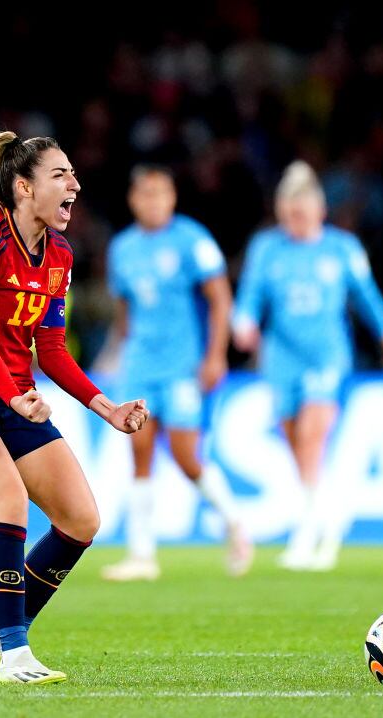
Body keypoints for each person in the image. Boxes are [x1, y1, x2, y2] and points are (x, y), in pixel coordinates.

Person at [0, 132, 149, 685]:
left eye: (72, 175)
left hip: (15, 396)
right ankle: (16, 657)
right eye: (60, 175)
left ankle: (2, 636)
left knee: (81, 520)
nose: (75, 184)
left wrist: (106, 408)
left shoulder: (60, 255)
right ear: (24, 187)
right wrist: (16, 393)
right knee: (9, 501)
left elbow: (51, 349)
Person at [232, 161, 383, 571]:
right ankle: (323, 522)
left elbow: (369, 299)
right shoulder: (268, 247)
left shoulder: (342, 248)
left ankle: (310, 533)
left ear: (319, 211)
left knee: (314, 435)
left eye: (302, 213)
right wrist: (243, 321)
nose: (295, 222)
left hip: (327, 354)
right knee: (297, 443)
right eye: (289, 215)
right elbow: (251, 294)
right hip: (282, 359)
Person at [102, 164, 253, 582]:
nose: (153, 202)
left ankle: (235, 522)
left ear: (172, 197)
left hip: (182, 368)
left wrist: (215, 356)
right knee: (139, 451)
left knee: (187, 456)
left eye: (161, 193)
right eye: (145, 194)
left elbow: (221, 299)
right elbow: (124, 313)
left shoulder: (192, 240)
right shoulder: (123, 249)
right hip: (139, 366)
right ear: (133, 200)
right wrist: (116, 354)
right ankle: (142, 555)